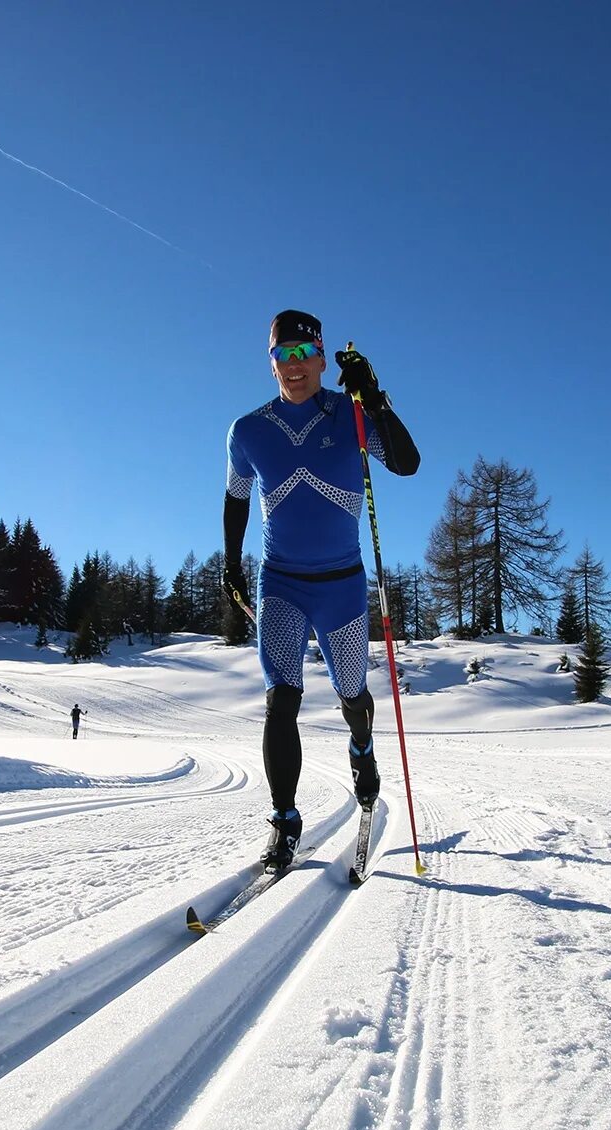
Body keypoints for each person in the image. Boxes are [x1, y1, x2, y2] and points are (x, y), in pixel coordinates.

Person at [223, 310, 420, 871]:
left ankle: (362, 747)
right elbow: (237, 498)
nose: (294, 366)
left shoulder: (349, 412)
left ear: (321, 357)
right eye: (282, 355)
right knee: (280, 700)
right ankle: (284, 823)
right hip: (280, 582)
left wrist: (376, 398)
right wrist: (231, 565)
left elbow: (406, 464)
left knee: (352, 694)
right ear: (272, 363)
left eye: (303, 353)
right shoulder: (248, 430)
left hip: (341, 585)